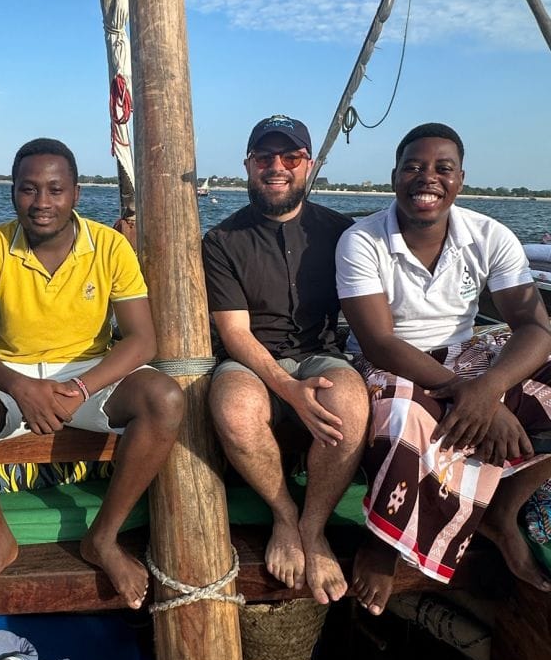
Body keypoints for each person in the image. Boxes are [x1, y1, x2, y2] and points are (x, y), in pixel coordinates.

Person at [0, 137, 184, 620]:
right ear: (12, 192)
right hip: (13, 374)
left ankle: (103, 537)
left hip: (87, 376)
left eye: (55, 189)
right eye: (28, 189)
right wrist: (20, 387)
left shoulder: (109, 246)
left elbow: (141, 340)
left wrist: (82, 388)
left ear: (76, 194)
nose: (41, 202)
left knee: (165, 399)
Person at [336, 122, 551, 616]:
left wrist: (489, 389)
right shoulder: (362, 240)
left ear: (460, 179)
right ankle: (384, 542)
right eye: (413, 166)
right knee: (402, 415)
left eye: (442, 168)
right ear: (394, 176)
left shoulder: (489, 235)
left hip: (468, 354)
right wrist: (466, 392)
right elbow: (380, 341)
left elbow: (534, 326)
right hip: (392, 360)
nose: (426, 177)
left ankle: (503, 509)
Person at [202, 115, 370, 605]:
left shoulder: (341, 232)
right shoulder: (222, 241)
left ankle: (313, 529)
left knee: (350, 405)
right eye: (264, 157)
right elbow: (235, 333)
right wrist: (290, 390)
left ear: (307, 165)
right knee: (235, 408)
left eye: (290, 156)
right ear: (248, 165)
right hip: (251, 360)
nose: (277, 166)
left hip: (321, 354)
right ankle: (283, 514)